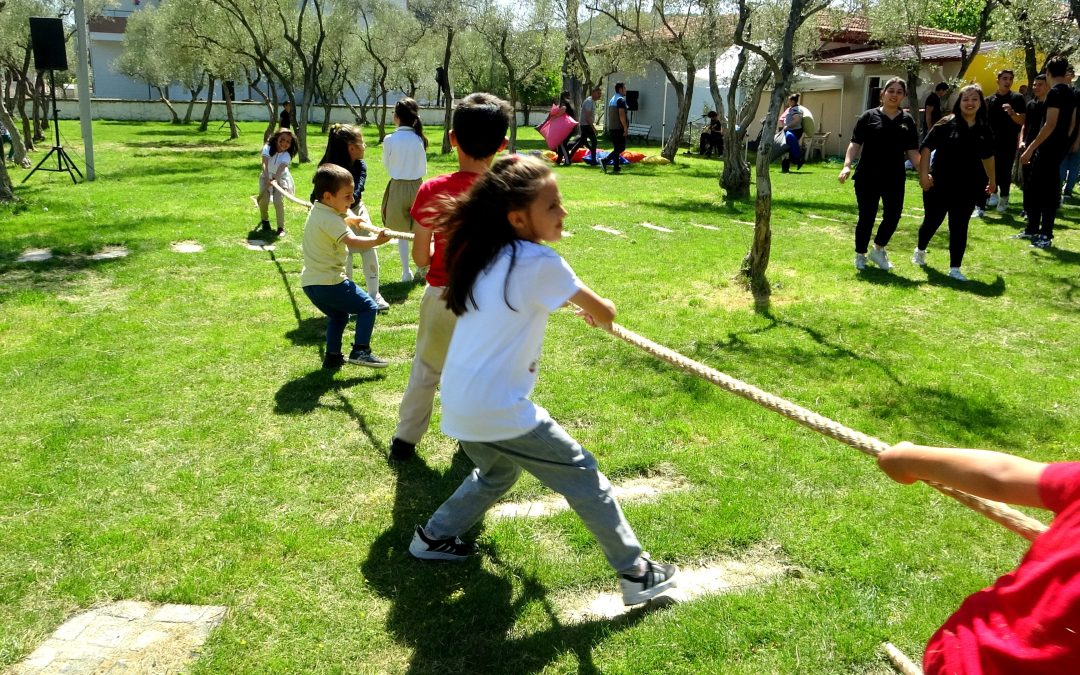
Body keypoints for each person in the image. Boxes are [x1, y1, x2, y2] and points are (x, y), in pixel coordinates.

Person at [407, 154, 678, 608]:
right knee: (583, 475)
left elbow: (514, 304)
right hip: (500, 408)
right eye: (552, 205)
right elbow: (605, 313)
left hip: (459, 404)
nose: (563, 212)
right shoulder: (539, 261)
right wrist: (599, 309)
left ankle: (433, 537)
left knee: (496, 473)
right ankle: (637, 572)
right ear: (517, 218)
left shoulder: (481, 253)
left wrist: (579, 306)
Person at [877, 444, 1080, 673]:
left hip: (965, 657)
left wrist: (907, 459)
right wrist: (907, 460)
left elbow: (1000, 476)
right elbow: (999, 476)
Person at [389, 93, 512, 462]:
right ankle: (476, 435)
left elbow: (418, 252)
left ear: (452, 138)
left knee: (426, 368)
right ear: (503, 145)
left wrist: (431, 268)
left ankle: (404, 440)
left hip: (442, 294)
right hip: (491, 302)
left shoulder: (432, 189)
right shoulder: (509, 194)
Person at [301, 164, 392, 370]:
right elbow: (353, 243)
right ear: (328, 196)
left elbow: (341, 215)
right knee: (368, 306)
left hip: (311, 283)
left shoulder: (320, 210)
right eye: (347, 196)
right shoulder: (331, 220)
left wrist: (352, 218)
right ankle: (361, 350)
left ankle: (332, 356)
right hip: (330, 282)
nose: (352, 200)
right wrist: (376, 241)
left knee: (338, 315)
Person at [913, 85, 996, 282]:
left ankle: (955, 268)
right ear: (959, 102)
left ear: (980, 103)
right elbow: (925, 149)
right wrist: (923, 175)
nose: (970, 103)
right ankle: (920, 250)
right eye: (966, 99)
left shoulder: (984, 128)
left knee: (959, 226)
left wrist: (993, 180)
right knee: (932, 222)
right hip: (939, 184)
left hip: (968, 186)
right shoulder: (945, 124)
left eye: (974, 99)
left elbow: (988, 157)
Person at [838, 77, 921, 272]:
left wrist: (925, 173)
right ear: (883, 93)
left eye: (899, 92)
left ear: (904, 96)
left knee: (893, 216)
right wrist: (847, 166)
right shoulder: (868, 117)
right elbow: (855, 143)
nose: (894, 95)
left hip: (894, 177)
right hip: (867, 176)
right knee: (867, 216)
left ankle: (878, 249)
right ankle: (860, 255)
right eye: (890, 90)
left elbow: (913, 151)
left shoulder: (907, 120)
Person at [312, 124, 388, 311]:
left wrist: (353, 213)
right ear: (351, 147)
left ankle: (374, 294)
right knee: (343, 251)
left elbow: (356, 193)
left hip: (356, 210)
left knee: (369, 247)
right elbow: (316, 196)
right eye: (362, 142)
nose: (365, 145)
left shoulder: (360, 165)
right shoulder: (327, 168)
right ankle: (347, 295)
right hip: (334, 214)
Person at [1020, 56, 1078, 250]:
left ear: (1049, 72)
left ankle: (1044, 234)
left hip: (1048, 147)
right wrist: (1068, 143)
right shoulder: (1072, 92)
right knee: (1039, 187)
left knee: (1044, 190)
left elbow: (1050, 124)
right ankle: (1032, 229)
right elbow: (1072, 124)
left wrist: (1030, 148)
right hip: (1058, 147)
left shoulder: (1055, 92)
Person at [382, 98, 428, 281]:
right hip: (418, 185)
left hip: (398, 185)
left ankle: (405, 271)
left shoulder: (390, 139)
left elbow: (387, 164)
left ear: (397, 116)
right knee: (419, 229)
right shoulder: (418, 139)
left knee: (401, 231)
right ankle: (420, 267)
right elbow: (422, 165)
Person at [984, 70, 1026, 214]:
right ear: (998, 80)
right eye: (1005, 78)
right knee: (991, 170)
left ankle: (1004, 198)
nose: (1008, 81)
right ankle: (993, 194)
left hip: (1008, 141)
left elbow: (1023, 121)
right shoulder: (989, 100)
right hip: (991, 142)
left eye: (1010, 79)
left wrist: (1012, 113)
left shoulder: (1017, 98)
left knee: (1005, 171)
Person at [1017, 74, 1048, 227]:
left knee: (1039, 184)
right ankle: (1027, 211)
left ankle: (1038, 214)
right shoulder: (1031, 104)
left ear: (1047, 85)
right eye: (1034, 85)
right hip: (1027, 147)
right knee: (1027, 181)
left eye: (1040, 84)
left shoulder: (1050, 106)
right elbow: (1025, 125)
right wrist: (1022, 140)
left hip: (1042, 149)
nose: (1036, 87)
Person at [256, 128, 297, 236]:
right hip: (265, 176)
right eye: (282, 139)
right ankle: (265, 221)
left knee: (278, 201)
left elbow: (280, 169)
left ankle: (280, 228)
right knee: (264, 201)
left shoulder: (287, 155)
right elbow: (264, 164)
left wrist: (274, 180)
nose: (284, 143)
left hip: (280, 178)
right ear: (276, 139)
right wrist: (267, 178)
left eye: (288, 141)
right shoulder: (268, 148)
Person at [1059, 66, 1080, 202]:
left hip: (1074, 133)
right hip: (1062, 133)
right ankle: (1060, 190)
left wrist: (1077, 138)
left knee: (1072, 164)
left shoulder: (1074, 94)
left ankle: (1067, 191)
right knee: (1063, 164)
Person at [569, 87, 601, 165]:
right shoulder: (589, 101)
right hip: (586, 125)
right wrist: (594, 128)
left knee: (580, 142)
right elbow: (588, 117)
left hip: (584, 125)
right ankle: (593, 161)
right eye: (598, 93)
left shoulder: (591, 101)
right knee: (594, 141)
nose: (600, 95)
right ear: (593, 92)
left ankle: (568, 157)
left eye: (600, 94)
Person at [603, 82, 629, 174]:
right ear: (620, 89)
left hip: (612, 128)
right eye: (624, 88)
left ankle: (616, 167)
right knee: (621, 148)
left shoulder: (612, 99)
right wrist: (625, 128)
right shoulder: (621, 100)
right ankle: (605, 160)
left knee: (616, 148)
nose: (625, 90)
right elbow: (622, 115)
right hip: (619, 128)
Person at [778, 94, 806, 173]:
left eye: (789, 100)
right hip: (792, 130)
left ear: (793, 101)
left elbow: (796, 120)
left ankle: (798, 158)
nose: (788, 102)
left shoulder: (795, 109)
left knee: (787, 147)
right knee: (787, 149)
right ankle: (788, 166)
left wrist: (787, 126)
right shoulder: (793, 108)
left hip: (793, 131)